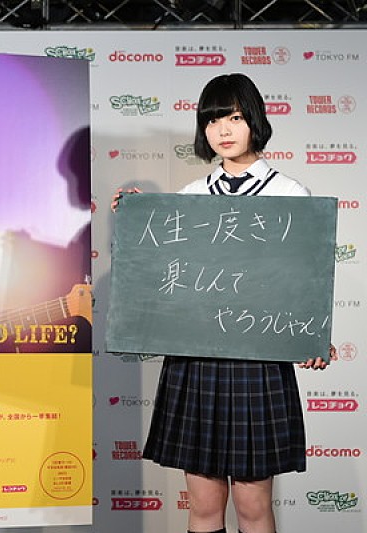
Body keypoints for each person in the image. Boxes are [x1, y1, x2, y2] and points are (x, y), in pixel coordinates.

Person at [112, 73, 337, 533]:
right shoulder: (191, 198)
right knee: (203, 506)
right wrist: (140, 219)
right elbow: (163, 284)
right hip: (195, 361)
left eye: (233, 117)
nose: (223, 130)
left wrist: (313, 336)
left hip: (258, 363)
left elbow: (302, 281)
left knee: (253, 507)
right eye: (212, 120)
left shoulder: (289, 195)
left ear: (253, 120)